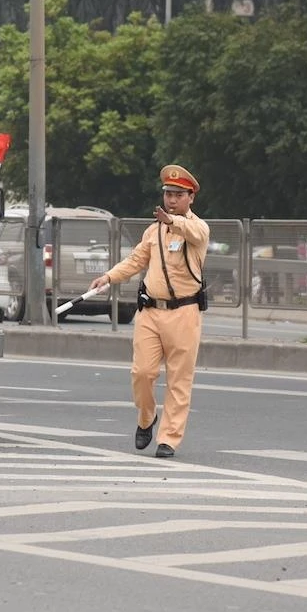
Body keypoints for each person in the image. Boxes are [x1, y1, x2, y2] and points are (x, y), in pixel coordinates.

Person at [86, 164, 208, 459]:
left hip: (185, 312)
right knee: (142, 373)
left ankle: (168, 438)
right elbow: (135, 260)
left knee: (179, 379)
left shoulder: (198, 228)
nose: (171, 199)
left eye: (178, 194)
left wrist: (174, 222)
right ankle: (146, 418)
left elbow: (193, 232)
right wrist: (109, 277)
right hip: (151, 311)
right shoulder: (154, 231)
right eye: (168, 194)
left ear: (190, 197)